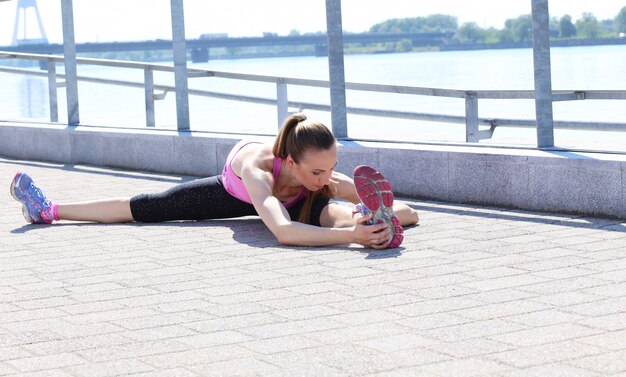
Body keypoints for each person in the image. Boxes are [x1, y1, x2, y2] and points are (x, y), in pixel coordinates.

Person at [10, 113, 419, 249]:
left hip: (297, 199)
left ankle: (371, 218)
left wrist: (365, 224)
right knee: (148, 207)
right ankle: (49, 210)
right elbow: (282, 232)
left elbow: (412, 211)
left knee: (351, 213)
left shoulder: (318, 179)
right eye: (317, 171)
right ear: (290, 161)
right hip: (233, 195)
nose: (326, 178)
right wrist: (352, 240)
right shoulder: (257, 168)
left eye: (331, 169)